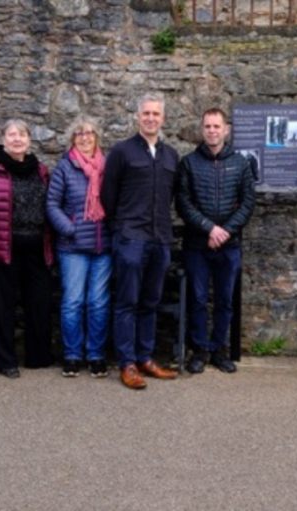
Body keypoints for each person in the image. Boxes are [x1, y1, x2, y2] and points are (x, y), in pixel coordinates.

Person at [101, 92, 179, 389]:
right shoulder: (122, 152)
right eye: (146, 113)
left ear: (163, 118)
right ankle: (127, 363)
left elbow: (171, 195)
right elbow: (109, 196)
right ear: (137, 117)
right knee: (127, 302)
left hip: (160, 239)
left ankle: (145, 358)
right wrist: (121, 230)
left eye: (155, 114)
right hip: (131, 238)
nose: (150, 118)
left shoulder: (171, 155)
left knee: (151, 301)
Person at [0, 119, 54, 378]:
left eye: (22, 135)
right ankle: (4, 361)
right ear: (3, 139)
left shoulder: (40, 170)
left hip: (37, 247)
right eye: (12, 135)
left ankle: (37, 357)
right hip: (3, 249)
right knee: (2, 307)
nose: (17, 139)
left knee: (38, 304)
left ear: (29, 140)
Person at [176, 107, 257, 374]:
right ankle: (199, 349)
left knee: (224, 300)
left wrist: (225, 232)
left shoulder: (240, 163)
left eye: (216, 126)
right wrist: (209, 229)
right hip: (197, 245)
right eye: (208, 126)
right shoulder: (189, 163)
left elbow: (247, 203)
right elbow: (184, 203)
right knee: (197, 299)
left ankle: (219, 350)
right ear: (202, 130)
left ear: (226, 129)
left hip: (229, 245)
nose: (212, 131)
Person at [46, 117, 112, 378]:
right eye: (79, 134)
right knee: (73, 302)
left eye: (90, 133)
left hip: (102, 246)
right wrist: (70, 229)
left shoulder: (108, 167)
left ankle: (95, 355)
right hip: (72, 247)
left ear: (97, 137)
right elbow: (52, 205)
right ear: (73, 139)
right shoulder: (65, 167)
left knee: (98, 302)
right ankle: (72, 355)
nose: (85, 138)